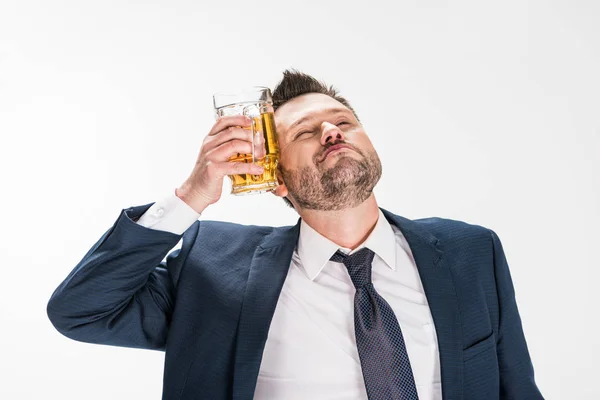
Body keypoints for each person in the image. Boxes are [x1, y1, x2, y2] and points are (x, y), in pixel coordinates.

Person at [47, 70, 544, 400]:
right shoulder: (214, 267)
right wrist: (191, 196)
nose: (333, 131)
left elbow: (516, 389)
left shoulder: (470, 252)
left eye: (345, 122)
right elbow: (81, 310)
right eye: (306, 132)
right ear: (275, 177)